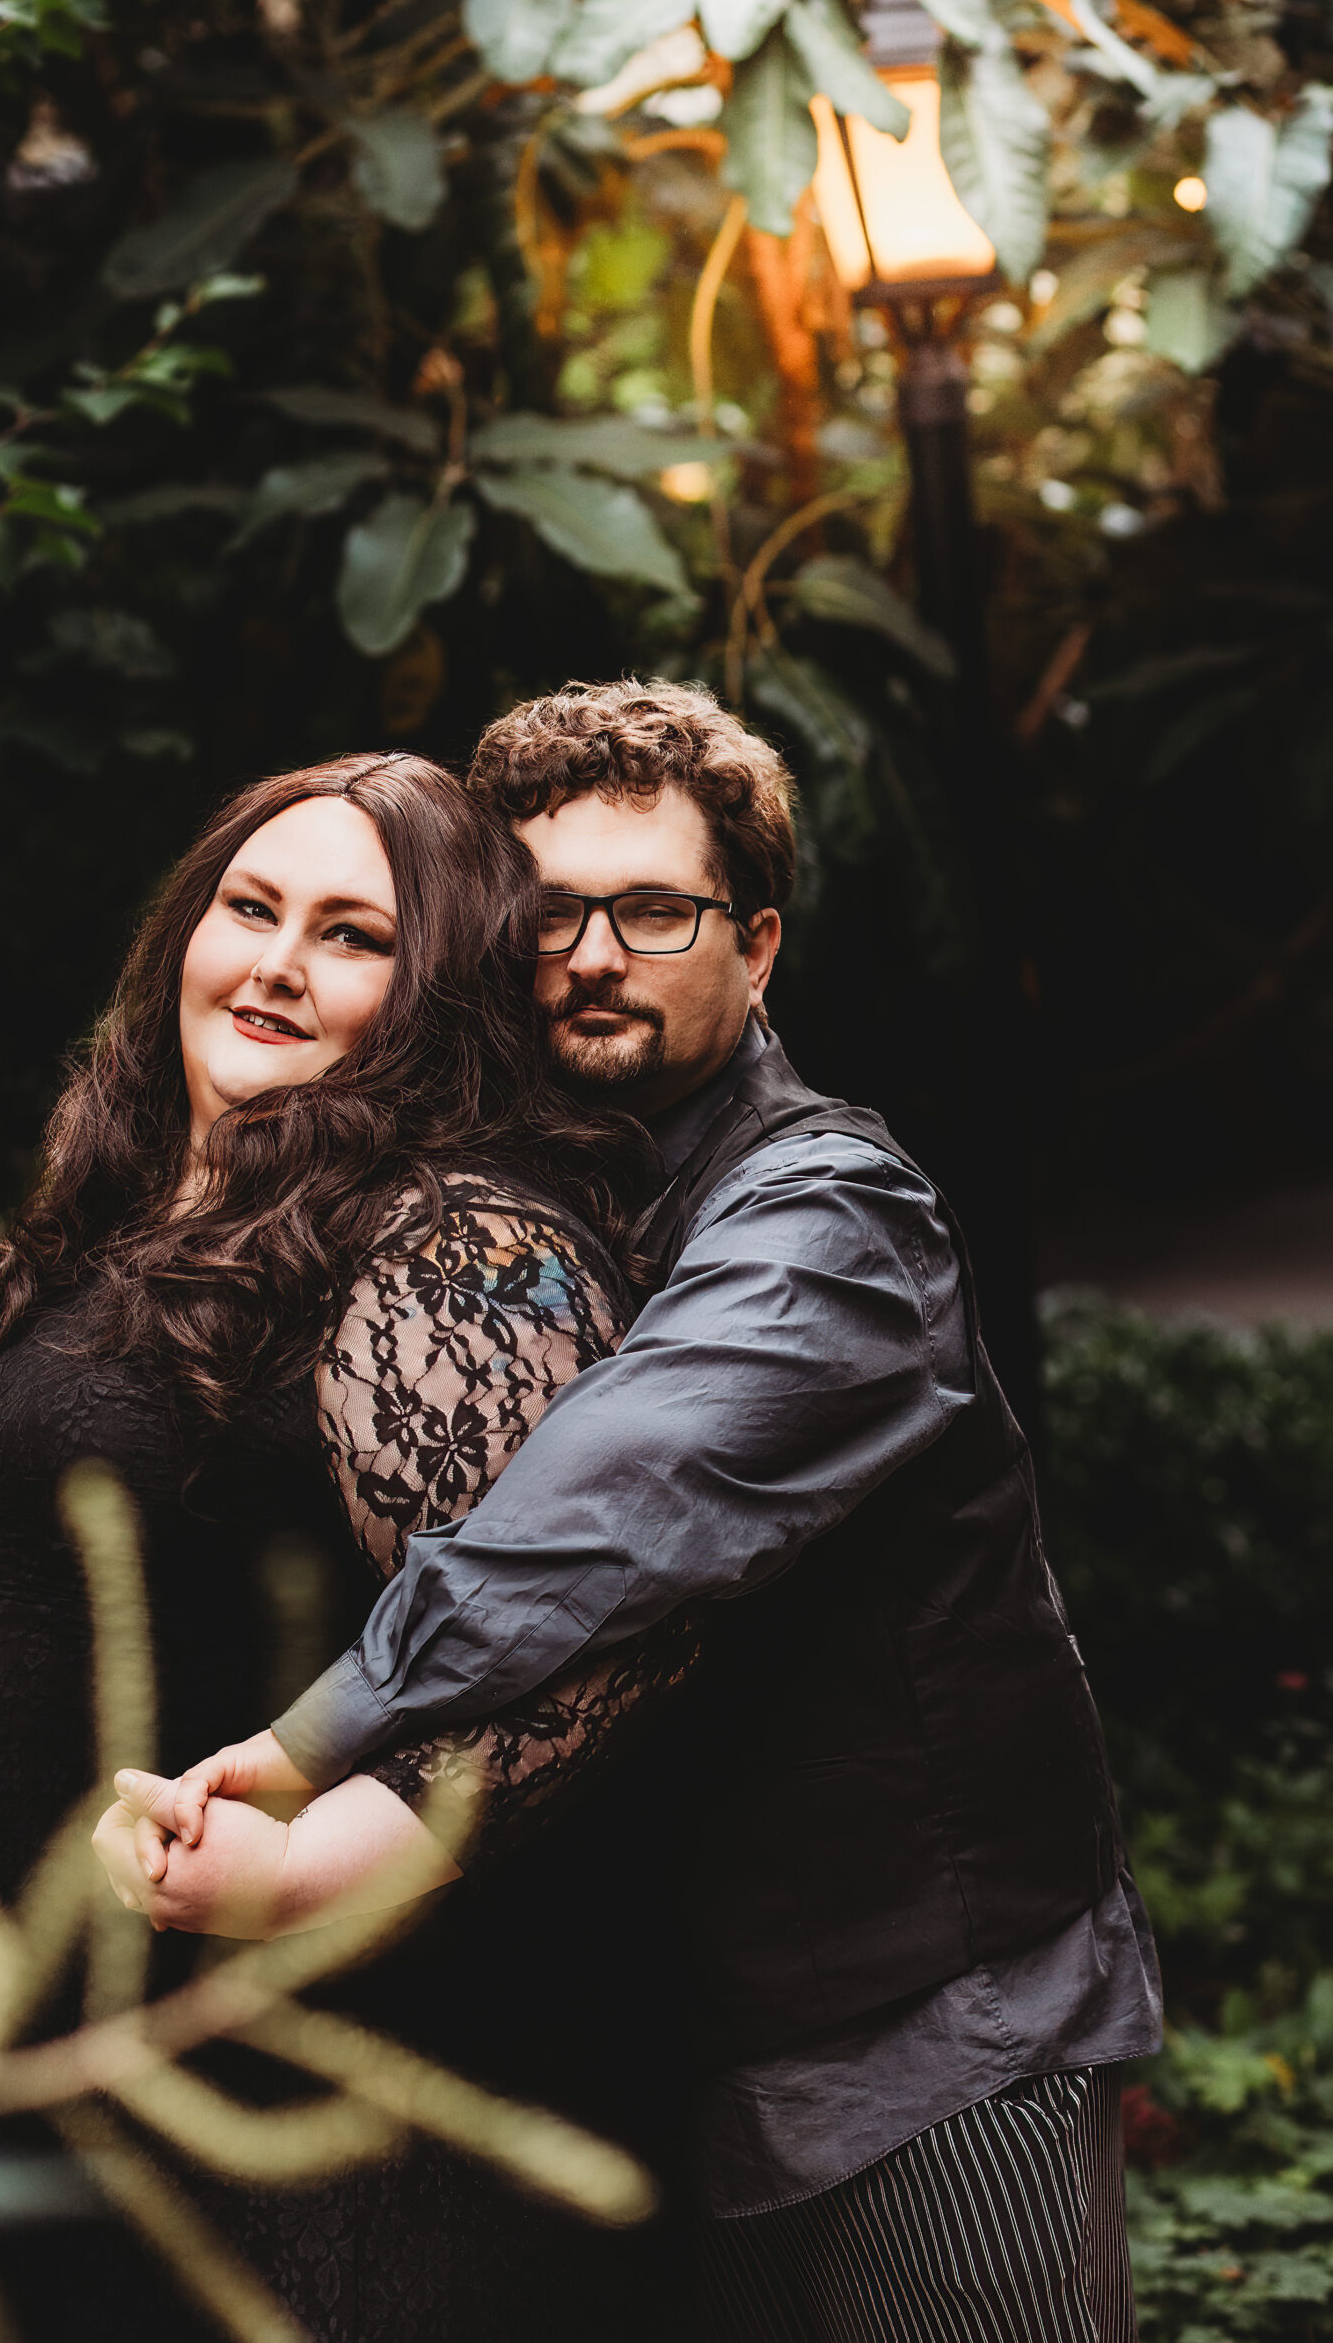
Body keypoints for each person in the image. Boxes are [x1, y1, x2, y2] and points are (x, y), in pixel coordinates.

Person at [109, 681, 1163, 2343]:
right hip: (651, 2048)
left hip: (921, 2029)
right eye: (548, 915)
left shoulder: (827, 1216)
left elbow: (607, 1513)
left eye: (655, 912)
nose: (594, 958)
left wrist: (305, 1752)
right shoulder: (493, 1205)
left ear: (757, 948)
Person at [0, 749, 694, 2343]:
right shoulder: (121, 1218)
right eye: (251, 907)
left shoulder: (455, 1247)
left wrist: (301, 1877)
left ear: (442, 998)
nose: (279, 962)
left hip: (281, 2111)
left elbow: (591, 1642)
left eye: (354, 936)